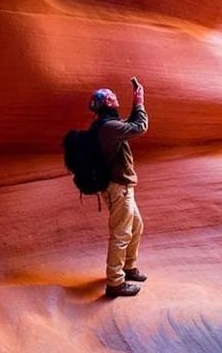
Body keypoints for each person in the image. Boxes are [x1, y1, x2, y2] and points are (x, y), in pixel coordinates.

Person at [88, 80, 149, 298]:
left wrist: (135, 103)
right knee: (121, 232)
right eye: (113, 96)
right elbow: (139, 127)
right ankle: (115, 282)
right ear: (106, 103)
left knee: (136, 226)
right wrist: (140, 103)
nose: (116, 98)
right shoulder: (109, 127)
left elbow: (128, 127)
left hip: (119, 185)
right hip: (119, 187)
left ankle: (127, 267)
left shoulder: (105, 126)